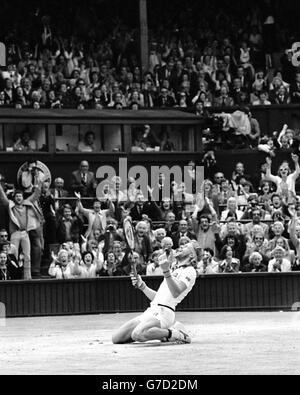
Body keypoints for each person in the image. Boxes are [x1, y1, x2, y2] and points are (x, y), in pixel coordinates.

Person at [112, 241, 198, 344]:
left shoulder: (190, 271)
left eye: (185, 246)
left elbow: (176, 292)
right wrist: (142, 286)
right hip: (152, 310)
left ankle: (176, 334)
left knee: (137, 334)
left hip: (164, 313)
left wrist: (166, 271)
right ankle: (161, 335)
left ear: (192, 254)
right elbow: (157, 298)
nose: (180, 246)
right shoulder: (175, 270)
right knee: (117, 338)